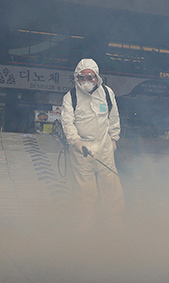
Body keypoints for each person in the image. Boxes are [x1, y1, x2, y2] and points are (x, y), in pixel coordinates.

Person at [61, 58, 123, 229]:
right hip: (82, 150)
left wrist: (113, 139)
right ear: (76, 78)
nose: (87, 81)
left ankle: (113, 218)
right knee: (85, 190)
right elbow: (67, 122)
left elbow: (113, 117)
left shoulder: (107, 93)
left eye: (91, 77)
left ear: (97, 77)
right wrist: (76, 142)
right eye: (82, 77)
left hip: (104, 146)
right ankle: (87, 222)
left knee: (110, 183)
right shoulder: (70, 97)